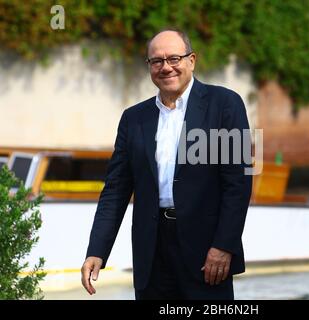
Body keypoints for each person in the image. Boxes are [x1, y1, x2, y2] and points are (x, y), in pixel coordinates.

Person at [81, 29, 252, 300]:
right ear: (149, 66)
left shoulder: (225, 105)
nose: (166, 67)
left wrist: (224, 245)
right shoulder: (133, 119)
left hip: (207, 254)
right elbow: (115, 191)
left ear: (192, 60)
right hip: (152, 252)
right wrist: (97, 250)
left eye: (174, 58)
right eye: (157, 61)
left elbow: (238, 183)